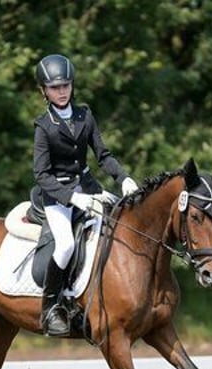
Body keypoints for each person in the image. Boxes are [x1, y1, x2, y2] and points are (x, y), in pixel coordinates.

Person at [32, 53, 139, 337]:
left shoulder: (84, 115)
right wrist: (71, 197)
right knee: (66, 245)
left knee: (122, 223)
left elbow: (103, 155)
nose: (62, 91)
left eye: (66, 85)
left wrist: (124, 178)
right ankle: (51, 307)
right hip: (57, 196)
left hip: (90, 188)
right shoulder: (43, 127)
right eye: (55, 88)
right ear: (44, 91)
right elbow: (41, 175)